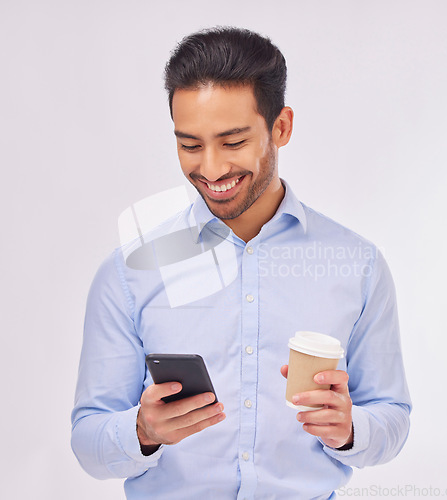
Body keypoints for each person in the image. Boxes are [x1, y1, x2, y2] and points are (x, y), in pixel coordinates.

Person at [71, 27, 411, 499]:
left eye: (232, 142)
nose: (210, 169)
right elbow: (87, 440)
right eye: (190, 145)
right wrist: (142, 430)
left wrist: (351, 429)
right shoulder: (130, 272)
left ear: (282, 127)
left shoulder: (358, 266)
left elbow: (393, 416)